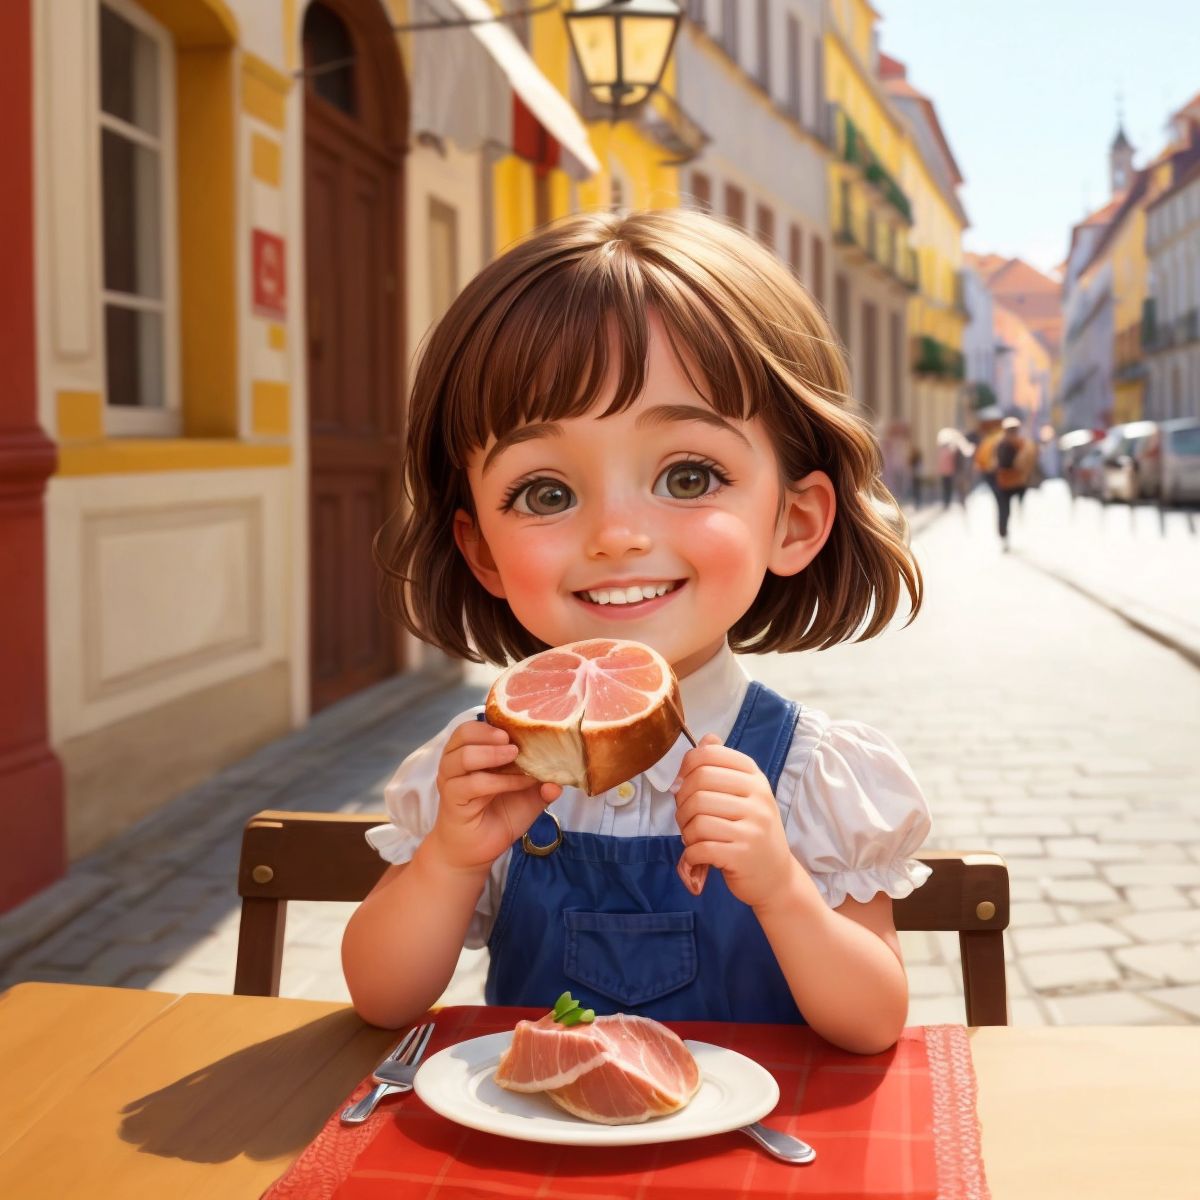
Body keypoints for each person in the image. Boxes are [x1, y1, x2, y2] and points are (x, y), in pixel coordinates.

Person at [342, 210, 932, 1056]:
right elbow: (382, 1000)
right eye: (546, 493)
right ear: (481, 551)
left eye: (688, 475)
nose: (616, 534)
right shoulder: (479, 767)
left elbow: (873, 1023)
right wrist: (448, 859)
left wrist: (779, 887)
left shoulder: (815, 778)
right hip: (539, 1166)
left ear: (794, 521)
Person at [993, 417, 1036, 550]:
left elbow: (1029, 462)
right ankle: (1003, 536)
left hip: (1018, 483)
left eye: (1014, 430)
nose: (1013, 433)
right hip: (1004, 483)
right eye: (1010, 431)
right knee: (1004, 512)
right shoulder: (1002, 445)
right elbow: (1001, 463)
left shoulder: (1023, 444)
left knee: (1009, 509)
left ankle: (1019, 514)